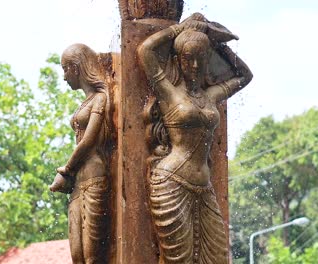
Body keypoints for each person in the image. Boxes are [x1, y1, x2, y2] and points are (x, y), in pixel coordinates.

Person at [138, 13, 253, 263]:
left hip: (204, 187)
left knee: (219, 257)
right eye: (188, 60)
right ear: (178, 60)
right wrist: (179, 29)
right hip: (171, 182)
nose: (195, 66)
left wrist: (216, 41)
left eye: (201, 59)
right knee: (177, 259)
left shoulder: (210, 96)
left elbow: (245, 76)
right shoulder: (169, 92)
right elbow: (145, 50)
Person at [49, 43, 111, 264]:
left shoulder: (100, 99)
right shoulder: (85, 102)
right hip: (78, 184)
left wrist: (66, 170)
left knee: (92, 255)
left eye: (66, 69)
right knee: (77, 254)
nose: (65, 77)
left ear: (77, 68)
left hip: (95, 179)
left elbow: (89, 141)